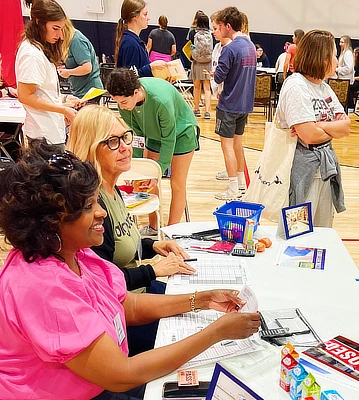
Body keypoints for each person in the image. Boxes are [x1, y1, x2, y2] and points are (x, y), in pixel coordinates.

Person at [0, 139, 261, 400]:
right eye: (89, 207)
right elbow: (122, 375)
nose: (101, 212)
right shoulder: (45, 288)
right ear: (52, 223)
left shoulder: (74, 254)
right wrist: (215, 333)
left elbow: (128, 306)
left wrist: (203, 300)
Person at [67, 105, 196, 355]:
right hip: (121, 310)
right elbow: (103, 281)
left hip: (137, 293)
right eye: (113, 142)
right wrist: (154, 270)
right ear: (91, 147)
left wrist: (152, 246)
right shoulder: (93, 207)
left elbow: (124, 243)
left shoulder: (111, 187)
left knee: (197, 308)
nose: (126, 147)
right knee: (191, 334)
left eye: (125, 137)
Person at [106, 68, 199, 233]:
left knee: (177, 183)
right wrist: (131, 165)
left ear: (136, 92)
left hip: (181, 134)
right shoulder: (125, 106)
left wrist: (161, 170)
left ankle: (172, 231)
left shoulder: (160, 101)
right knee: (144, 178)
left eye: (124, 102)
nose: (121, 107)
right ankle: (154, 227)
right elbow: (137, 136)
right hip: (153, 135)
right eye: (117, 102)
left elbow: (169, 138)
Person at [278, 29, 350, 227]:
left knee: (321, 232)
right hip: (300, 172)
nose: (337, 61)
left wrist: (320, 125)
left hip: (324, 169)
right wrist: (327, 128)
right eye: (334, 56)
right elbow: (308, 135)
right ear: (321, 57)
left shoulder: (324, 87)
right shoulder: (296, 86)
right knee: (298, 232)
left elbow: (346, 127)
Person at [16, 0, 77, 149]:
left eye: (61, 29)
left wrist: (64, 99)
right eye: (55, 28)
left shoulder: (39, 49)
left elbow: (42, 92)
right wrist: (62, 109)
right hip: (44, 136)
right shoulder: (32, 54)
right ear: (39, 22)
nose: (60, 35)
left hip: (50, 134)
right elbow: (25, 96)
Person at [212, 6, 256, 200]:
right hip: (244, 105)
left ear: (228, 26)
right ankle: (241, 186)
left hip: (229, 104)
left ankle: (232, 190)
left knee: (227, 147)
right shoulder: (251, 47)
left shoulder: (229, 49)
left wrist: (214, 76)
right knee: (237, 145)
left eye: (220, 25)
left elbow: (219, 76)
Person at [114, 0, 166, 77]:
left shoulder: (134, 41)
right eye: (145, 14)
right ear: (135, 16)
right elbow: (129, 77)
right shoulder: (131, 44)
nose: (148, 18)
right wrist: (150, 67)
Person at [58, 23, 103, 99]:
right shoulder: (69, 39)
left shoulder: (76, 40)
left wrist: (68, 72)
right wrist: (65, 67)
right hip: (80, 90)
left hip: (89, 91)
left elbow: (87, 68)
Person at [187, 10, 213, 119]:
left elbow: (189, 46)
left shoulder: (193, 32)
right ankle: (207, 112)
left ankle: (196, 109)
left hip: (197, 62)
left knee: (196, 87)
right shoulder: (210, 34)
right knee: (207, 87)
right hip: (207, 63)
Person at [348, 46, 359, 112]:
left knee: (349, 88)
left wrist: (354, 78)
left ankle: (351, 106)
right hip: (356, 82)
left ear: (357, 54)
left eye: (353, 53)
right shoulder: (355, 62)